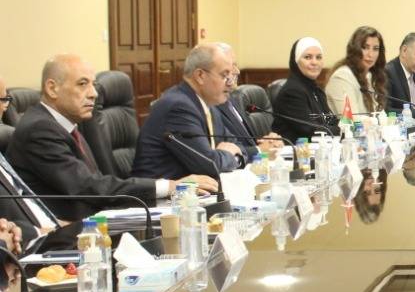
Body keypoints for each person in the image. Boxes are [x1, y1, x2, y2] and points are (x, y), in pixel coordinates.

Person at [7, 54, 215, 221]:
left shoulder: (67, 124)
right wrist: (170, 186)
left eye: (93, 84)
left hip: (96, 223)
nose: (93, 94)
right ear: (52, 88)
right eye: (82, 84)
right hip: (67, 237)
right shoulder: (40, 130)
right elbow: (88, 187)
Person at [133, 45, 249, 182]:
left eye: (231, 75)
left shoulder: (208, 105)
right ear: (200, 76)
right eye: (224, 75)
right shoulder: (179, 107)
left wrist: (229, 155)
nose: (231, 84)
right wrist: (229, 153)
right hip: (163, 193)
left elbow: (240, 148)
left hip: (198, 190)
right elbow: (209, 165)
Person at [211, 44, 284, 161]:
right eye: (231, 66)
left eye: (236, 65)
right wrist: (259, 149)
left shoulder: (234, 99)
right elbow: (225, 149)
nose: (237, 71)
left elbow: (248, 142)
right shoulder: (212, 105)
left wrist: (269, 141)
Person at [272, 37, 337, 140]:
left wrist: (349, 126)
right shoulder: (292, 92)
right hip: (293, 149)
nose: (314, 62)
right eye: (307, 57)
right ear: (296, 61)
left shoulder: (316, 90)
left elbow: (330, 121)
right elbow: (311, 130)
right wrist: (342, 130)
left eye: (318, 57)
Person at [326, 26, 387, 116]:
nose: (370, 54)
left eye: (375, 49)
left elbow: (381, 115)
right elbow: (352, 119)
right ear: (355, 49)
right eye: (365, 47)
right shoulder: (342, 77)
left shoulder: (369, 76)